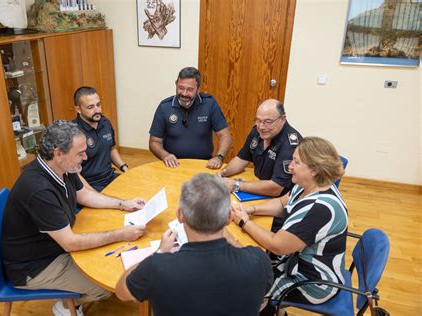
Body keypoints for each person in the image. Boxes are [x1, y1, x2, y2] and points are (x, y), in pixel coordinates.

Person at [1, 121, 147, 316]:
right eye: (80, 153)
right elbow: (70, 243)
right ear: (58, 153)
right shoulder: (38, 189)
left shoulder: (63, 167)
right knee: (107, 286)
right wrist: (121, 234)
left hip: (55, 245)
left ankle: (68, 297)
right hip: (36, 266)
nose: (85, 158)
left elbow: (84, 195)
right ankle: (63, 305)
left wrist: (122, 204)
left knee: (111, 263)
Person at [116, 173, 273, 316]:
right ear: (229, 218)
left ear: (180, 216)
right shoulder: (258, 260)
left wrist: (159, 252)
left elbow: (122, 291)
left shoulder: (156, 267)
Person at [231, 137, 348, 314]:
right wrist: (250, 209)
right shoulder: (307, 185)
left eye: (296, 162)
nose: (289, 166)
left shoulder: (319, 209)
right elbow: (282, 204)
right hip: (295, 262)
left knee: (245, 285)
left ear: (314, 169)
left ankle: (267, 309)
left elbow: (277, 246)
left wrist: (243, 221)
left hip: (312, 281)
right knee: (249, 267)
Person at [220, 99, 302, 232]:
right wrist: (222, 174)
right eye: (258, 120)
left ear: (282, 119)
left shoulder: (290, 144)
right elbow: (242, 158)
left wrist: (236, 185)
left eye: (268, 121)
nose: (262, 126)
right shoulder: (257, 131)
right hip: (258, 193)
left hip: (280, 209)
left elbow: (276, 188)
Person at [149, 67, 232, 169]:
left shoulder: (209, 104)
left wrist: (219, 157)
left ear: (198, 89)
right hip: (172, 164)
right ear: (176, 84)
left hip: (204, 164)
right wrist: (164, 155)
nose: (184, 93)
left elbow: (225, 136)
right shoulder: (164, 107)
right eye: (181, 88)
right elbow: (154, 142)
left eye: (190, 89)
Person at [72, 86, 128, 192]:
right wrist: (92, 194)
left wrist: (124, 168)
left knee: (137, 190)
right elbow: (74, 174)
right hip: (90, 184)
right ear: (78, 109)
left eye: (98, 105)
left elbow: (111, 149)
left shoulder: (105, 122)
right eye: (90, 107)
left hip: (109, 177)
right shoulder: (73, 132)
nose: (97, 110)